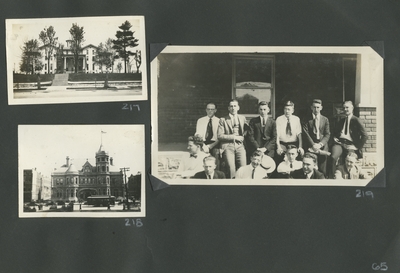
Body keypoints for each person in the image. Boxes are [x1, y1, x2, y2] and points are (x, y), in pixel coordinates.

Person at [329, 101, 368, 178]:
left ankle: (349, 177)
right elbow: (335, 133)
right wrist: (335, 139)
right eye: (344, 108)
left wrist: (357, 147)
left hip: (351, 145)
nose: (345, 109)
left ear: (352, 108)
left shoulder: (356, 120)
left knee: (350, 160)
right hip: (340, 143)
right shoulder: (341, 120)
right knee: (333, 157)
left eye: (347, 107)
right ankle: (332, 178)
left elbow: (365, 135)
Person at [217, 99, 247, 178]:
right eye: (231, 106)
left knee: (243, 168)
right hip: (228, 146)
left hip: (240, 146)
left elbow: (247, 130)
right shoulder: (223, 120)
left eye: (235, 106)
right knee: (231, 169)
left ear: (238, 107)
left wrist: (243, 136)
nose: (233, 108)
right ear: (228, 108)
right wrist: (234, 137)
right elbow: (220, 136)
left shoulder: (242, 118)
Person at [302, 99, 331, 176]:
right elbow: (305, 133)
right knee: (310, 166)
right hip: (310, 145)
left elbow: (327, 134)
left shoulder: (325, 119)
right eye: (314, 107)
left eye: (318, 107)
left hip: (322, 145)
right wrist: (313, 145)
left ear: (321, 108)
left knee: (322, 168)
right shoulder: (306, 119)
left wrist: (320, 144)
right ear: (311, 107)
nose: (316, 109)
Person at [195, 103, 221, 169]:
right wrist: (203, 145)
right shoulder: (200, 120)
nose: (210, 111)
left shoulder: (219, 121)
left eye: (212, 109)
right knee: (199, 155)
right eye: (208, 109)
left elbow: (220, 137)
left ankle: (215, 174)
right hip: (203, 142)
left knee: (216, 154)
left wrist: (210, 146)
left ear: (215, 110)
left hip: (215, 143)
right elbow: (198, 135)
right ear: (206, 110)